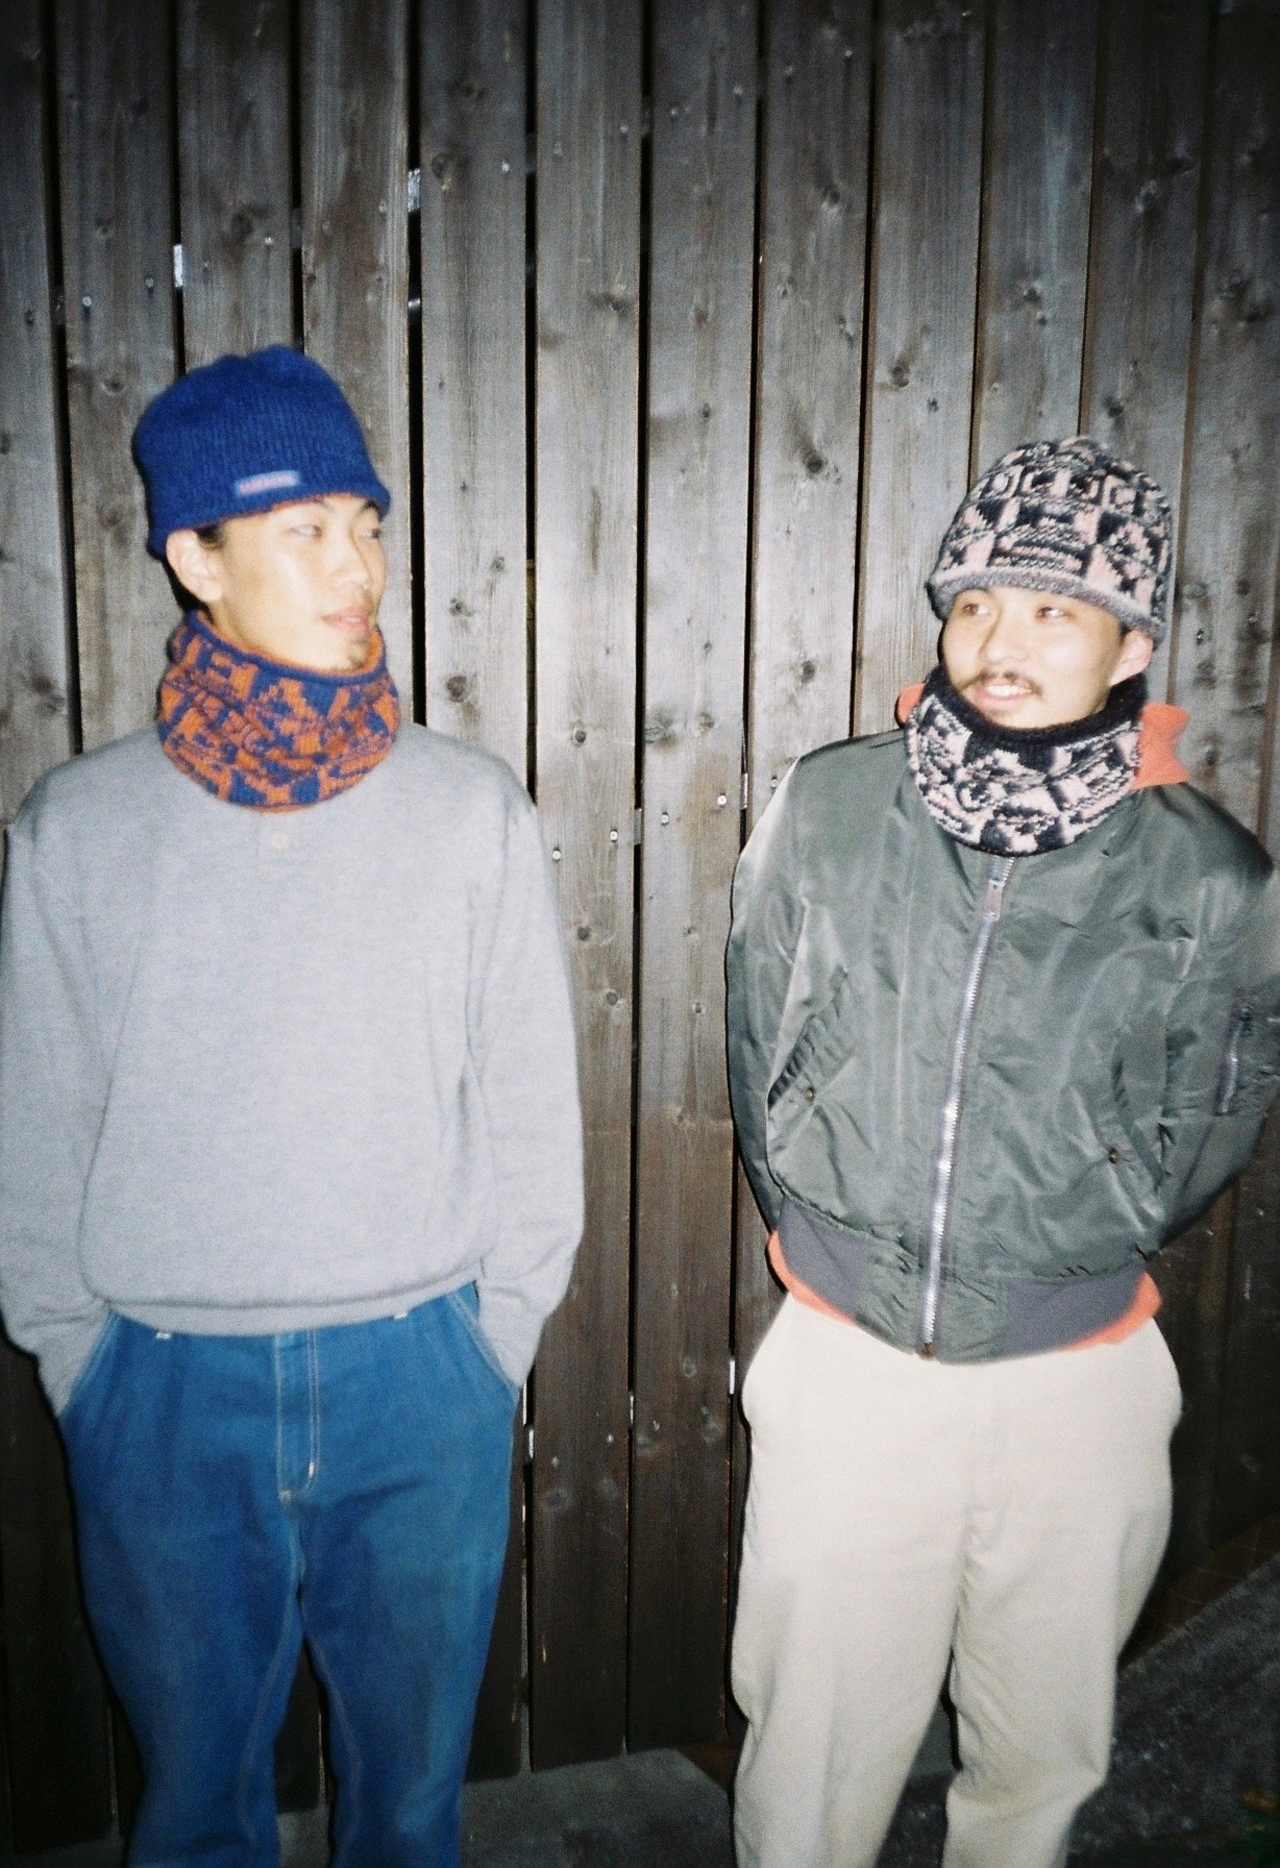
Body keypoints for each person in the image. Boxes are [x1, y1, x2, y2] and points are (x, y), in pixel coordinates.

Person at [0, 345, 582, 1866]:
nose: (358, 567)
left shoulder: (468, 809)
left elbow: (530, 1101)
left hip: (420, 1382)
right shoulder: (79, 827)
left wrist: (492, 1344)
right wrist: (81, 1364)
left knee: (411, 1809)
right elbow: (35, 1126)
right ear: (196, 559)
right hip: (161, 1398)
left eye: (366, 524)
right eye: (305, 528)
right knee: (194, 1813)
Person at [725, 437, 1280, 1868]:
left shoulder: (1209, 873)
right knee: (812, 1753)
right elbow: (761, 1032)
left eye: (1053, 608)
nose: (999, 640)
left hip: (1076, 1386)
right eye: (975, 601)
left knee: (1040, 1756)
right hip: (849, 1366)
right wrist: (832, 1230)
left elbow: (1220, 1104)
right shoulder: (831, 805)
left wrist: (1088, 1224)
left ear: (1131, 645)